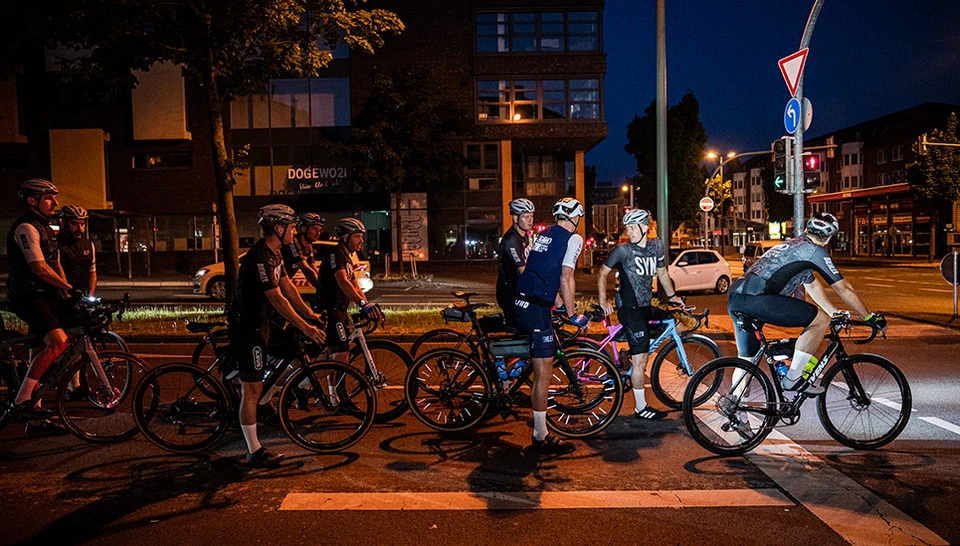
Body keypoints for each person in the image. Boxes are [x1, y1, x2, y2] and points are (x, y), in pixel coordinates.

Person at [728, 212, 887, 396]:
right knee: (820, 320)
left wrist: (834, 312)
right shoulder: (815, 251)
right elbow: (844, 289)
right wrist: (868, 316)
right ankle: (793, 379)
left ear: (806, 229)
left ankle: (737, 414)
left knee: (746, 361)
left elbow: (811, 284)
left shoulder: (792, 245)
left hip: (737, 298)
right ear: (827, 239)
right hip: (760, 298)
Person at [227, 204, 325, 468]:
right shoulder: (260, 257)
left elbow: (288, 286)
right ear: (278, 228)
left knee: (294, 352)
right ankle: (254, 450)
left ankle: (267, 392)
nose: (295, 231)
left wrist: (309, 315)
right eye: (292, 227)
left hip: (264, 323)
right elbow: (277, 298)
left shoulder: (276, 252)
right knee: (252, 390)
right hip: (248, 327)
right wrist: (306, 327)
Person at [513, 197, 589, 454]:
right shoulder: (574, 238)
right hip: (535, 307)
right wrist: (572, 314)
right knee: (543, 373)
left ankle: (508, 381)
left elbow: (540, 270)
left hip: (523, 300)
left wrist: (554, 301)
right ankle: (540, 435)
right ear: (576, 217)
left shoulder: (544, 234)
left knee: (536, 358)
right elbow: (566, 277)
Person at [597, 209, 682, 421]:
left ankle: (631, 351)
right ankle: (641, 408)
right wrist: (602, 301)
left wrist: (672, 297)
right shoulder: (622, 251)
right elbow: (602, 273)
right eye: (628, 228)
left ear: (646, 227)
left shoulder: (656, 246)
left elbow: (662, 273)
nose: (630, 232)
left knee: (674, 321)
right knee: (640, 362)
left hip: (645, 306)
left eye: (633, 227)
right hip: (629, 308)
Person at [4, 179, 73, 435]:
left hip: (45, 293)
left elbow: (54, 264)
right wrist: (68, 288)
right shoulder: (26, 227)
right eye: (48, 198)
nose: (55, 203)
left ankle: (35, 420)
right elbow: (39, 268)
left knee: (40, 351)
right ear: (32, 201)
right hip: (27, 294)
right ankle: (22, 400)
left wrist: (66, 290)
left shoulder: (46, 227)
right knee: (57, 343)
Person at [316, 217, 382, 364]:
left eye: (362, 237)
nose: (362, 241)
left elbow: (355, 285)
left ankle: (329, 387)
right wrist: (363, 304)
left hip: (340, 309)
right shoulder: (336, 253)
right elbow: (342, 281)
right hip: (331, 310)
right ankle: (302, 384)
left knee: (331, 353)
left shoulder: (347, 257)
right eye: (357, 236)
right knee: (341, 356)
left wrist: (367, 304)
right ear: (345, 237)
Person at [496, 198, 535, 328]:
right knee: (525, 329)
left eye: (531, 216)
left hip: (519, 290)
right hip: (509, 293)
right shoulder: (511, 240)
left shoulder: (523, 236)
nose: (530, 220)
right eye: (525, 217)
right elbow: (522, 270)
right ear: (515, 218)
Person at [57, 205, 97, 297]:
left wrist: (90, 294)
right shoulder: (55, 244)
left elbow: (92, 271)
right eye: (74, 224)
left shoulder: (88, 244)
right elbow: (57, 270)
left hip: (83, 293)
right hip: (61, 295)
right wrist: (66, 293)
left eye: (82, 224)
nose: (80, 228)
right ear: (63, 223)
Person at [281, 212, 324, 292]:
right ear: (303, 229)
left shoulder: (308, 246)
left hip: (283, 283)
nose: (318, 233)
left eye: (320, 230)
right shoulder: (293, 243)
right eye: (315, 229)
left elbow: (313, 269)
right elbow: (306, 270)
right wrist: (322, 289)